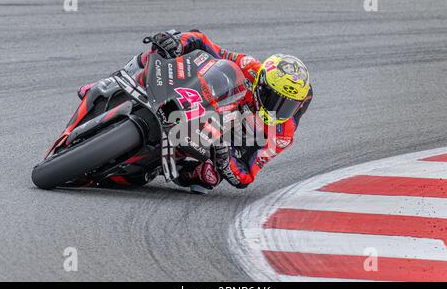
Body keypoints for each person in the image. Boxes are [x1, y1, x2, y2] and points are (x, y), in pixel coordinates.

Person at [78, 30, 313, 193]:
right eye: (275, 98)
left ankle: (169, 169)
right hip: (199, 101)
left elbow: (246, 176)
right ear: (262, 82)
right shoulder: (250, 66)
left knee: (208, 177)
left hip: (217, 140)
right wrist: (178, 42)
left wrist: (225, 157)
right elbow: (206, 45)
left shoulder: (282, 134)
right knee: (162, 48)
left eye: (288, 104)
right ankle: (110, 82)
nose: (278, 108)